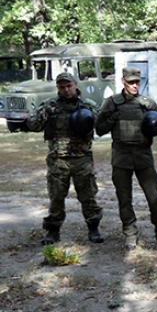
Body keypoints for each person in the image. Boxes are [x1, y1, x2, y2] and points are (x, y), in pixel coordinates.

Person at [95, 66, 157, 250]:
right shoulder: (112, 102)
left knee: (154, 198)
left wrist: (152, 125)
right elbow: (99, 128)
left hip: (143, 154)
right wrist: (113, 118)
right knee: (124, 198)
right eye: (131, 82)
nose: (135, 85)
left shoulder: (147, 103)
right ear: (123, 81)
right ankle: (130, 235)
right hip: (121, 156)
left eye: (137, 82)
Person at [27, 71, 104, 245]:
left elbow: (102, 126)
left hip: (82, 158)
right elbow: (33, 125)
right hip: (58, 159)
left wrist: (92, 116)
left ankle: (93, 229)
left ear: (76, 84)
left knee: (88, 196)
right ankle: (53, 231)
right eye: (62, 87)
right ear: (58, 88)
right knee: (56, 197)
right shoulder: (50, 104)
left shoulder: (88, 105)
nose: (66, 90)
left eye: (69, 86)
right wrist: (46, 113)